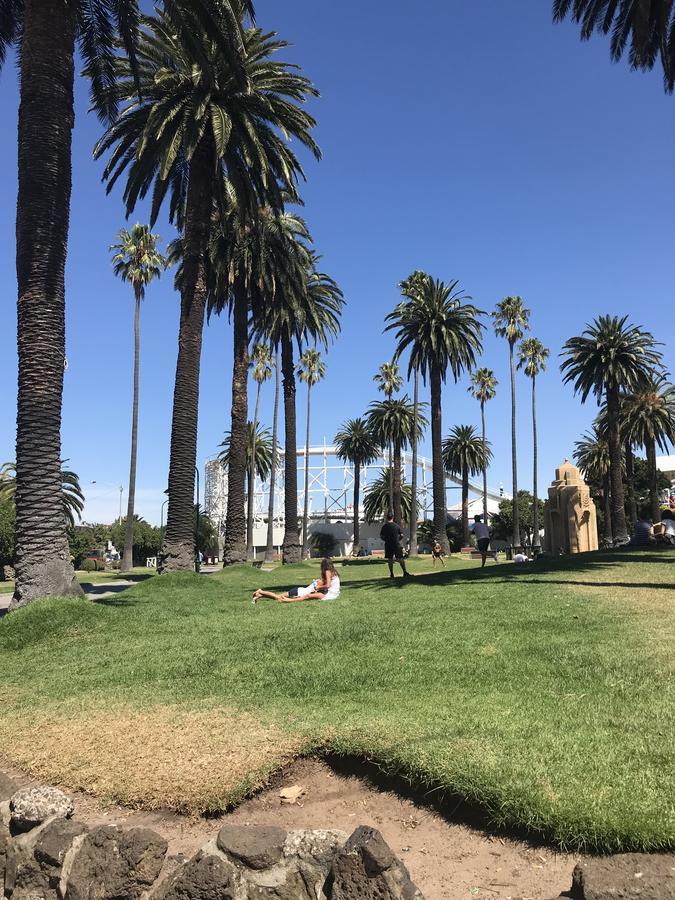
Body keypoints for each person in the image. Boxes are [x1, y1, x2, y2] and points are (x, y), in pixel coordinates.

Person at [252, 558, 341, 603]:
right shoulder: (326, 576)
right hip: (298, 592)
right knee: (277, 597)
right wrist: (318, 587)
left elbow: (325, 586)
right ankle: (261, 591)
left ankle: (259, 595)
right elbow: (326, 586)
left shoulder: (321, 580)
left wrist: (318, 587)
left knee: (277, 597)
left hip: (299, 590)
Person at [380, 513, 411, 580]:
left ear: (387, 517)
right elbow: (402, 535)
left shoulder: (384, 526)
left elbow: (381, 536)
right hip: (396, 544)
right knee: (400, 558)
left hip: (388, 544)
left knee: (390, 559)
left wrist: (386, 540)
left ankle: (391, 573)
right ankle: (404, 572)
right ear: (392, 518)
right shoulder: (396, 526)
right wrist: (398, 540)